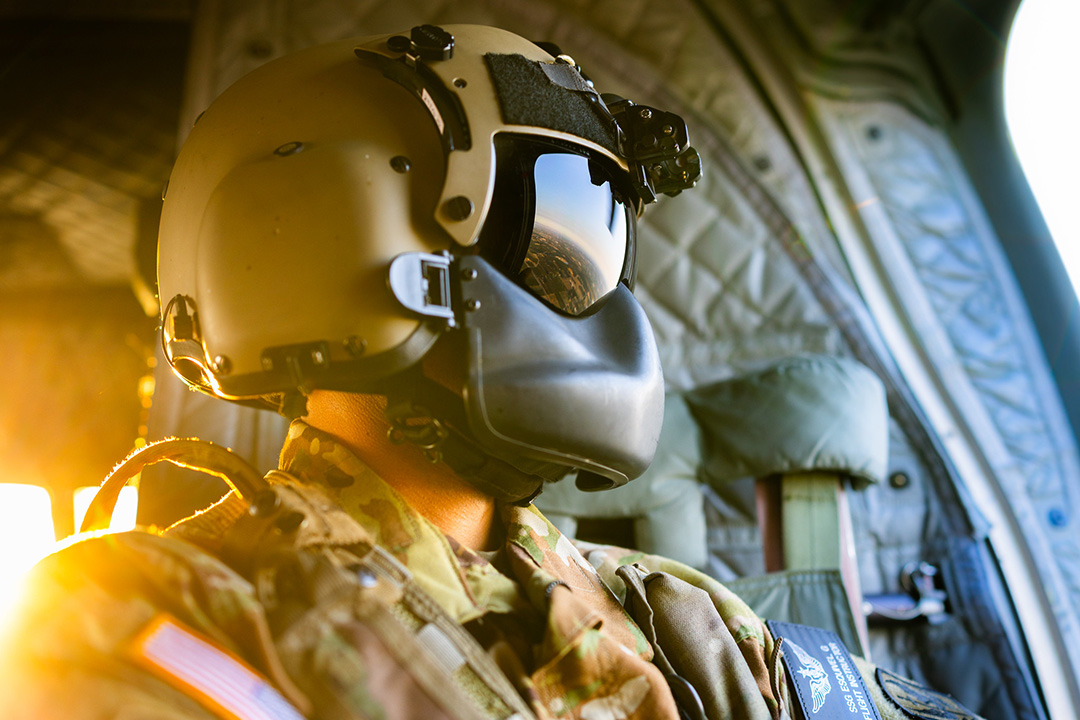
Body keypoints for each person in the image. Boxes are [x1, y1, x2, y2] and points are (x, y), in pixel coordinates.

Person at [0, 23, 976, 720]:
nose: (597, 298)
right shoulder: (153, 619)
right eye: (551, 231)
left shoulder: (680, 620)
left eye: (599, 247)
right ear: (319, 237)